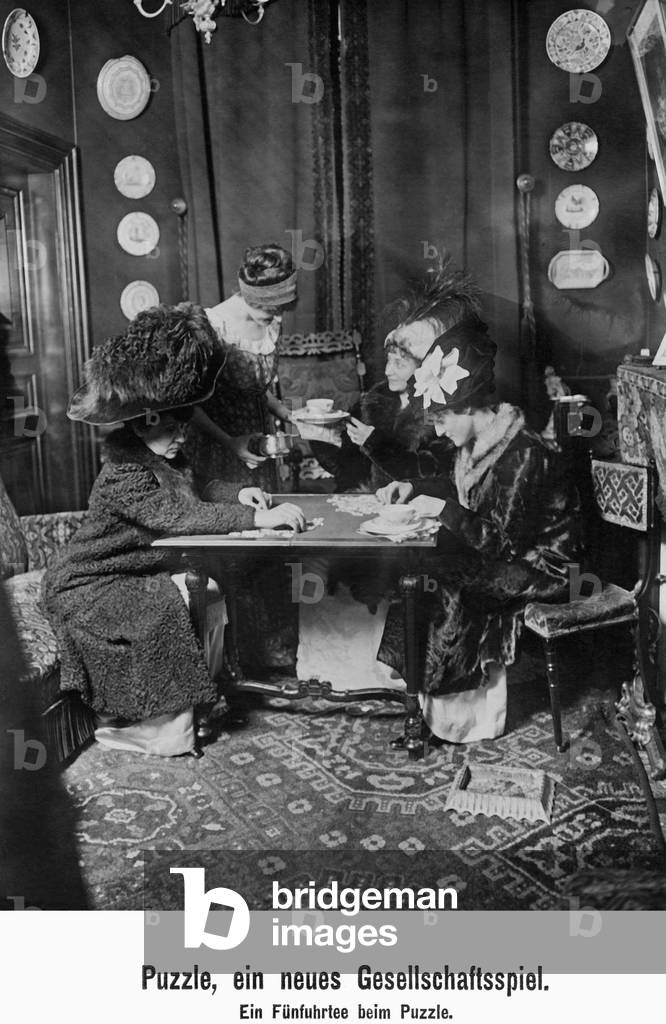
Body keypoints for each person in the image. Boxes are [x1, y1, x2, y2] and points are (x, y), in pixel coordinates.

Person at [43, 304, 305, 758]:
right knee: (166, 605)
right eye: (170, 428)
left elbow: (200, 485)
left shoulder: (165, 455)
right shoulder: (124, 474)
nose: (181, 436)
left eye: (182, 426)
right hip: (86, 583)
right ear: (142, 428)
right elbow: (178, 516)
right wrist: (257, 520)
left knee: (204, 590)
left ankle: (191, 706)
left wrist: (239, 494)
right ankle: (151, 722)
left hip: (128, 572)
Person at [376, 324, 581, 744]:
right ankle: (427, 708)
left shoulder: (522, 454)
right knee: (420, 573)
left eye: (441, 418)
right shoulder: (472, 445)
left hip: (548, 568)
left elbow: (505, 542)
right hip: (512, 557)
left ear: (469, 409)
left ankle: (462, 722)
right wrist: (414, 489)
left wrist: (445, 511)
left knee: (449, 584)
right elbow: (462, 496)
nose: (437, 431)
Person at [186, 242, 298, 494]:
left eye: (282, 310)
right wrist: (229, 442)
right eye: (272, 311)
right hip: (217, 445)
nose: (279, 319)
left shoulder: (271, 322)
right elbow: (187, 404)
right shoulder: (211, 325)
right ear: (252, 298)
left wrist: (286, 412)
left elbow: (253, 385)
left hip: (258, 443)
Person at [309, 339, 451, 492]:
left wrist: (375, 444)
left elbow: (431, 477)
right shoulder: (372, 401)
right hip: (365, 499)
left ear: (423, 368)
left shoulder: (437, 413)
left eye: (399, 364)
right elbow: (345, 470)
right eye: (389, 362)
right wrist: (322, 435)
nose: (388, 371)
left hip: (410, 505)